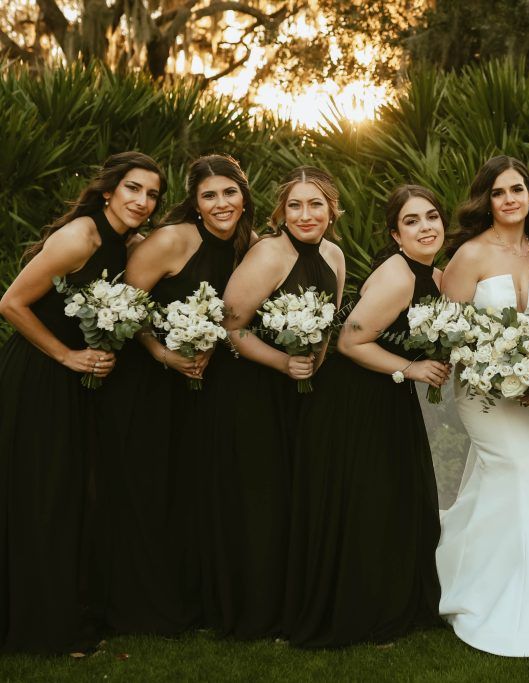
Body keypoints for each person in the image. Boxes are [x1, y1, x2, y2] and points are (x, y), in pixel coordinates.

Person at [0, 152, 165, 652]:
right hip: (39, 375)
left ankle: (71, 610)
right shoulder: (81, 237)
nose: (142, 201)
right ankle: (39, 627)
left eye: (152, 194)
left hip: (80, 382)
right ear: (109, 191)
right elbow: (10, 303)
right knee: (44, 497)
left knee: (75, 495)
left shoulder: (126, 242)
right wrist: (68, 356)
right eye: (133, 189)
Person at [92, 155, 253, 635]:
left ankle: (189, 597)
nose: (221, 204)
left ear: (244, 197)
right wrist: (161, 352)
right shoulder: (172, 240)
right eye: (209, 195)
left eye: (229, 193)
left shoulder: (251, 247)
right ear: (195, 203)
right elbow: (122, 305)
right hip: (145, 384)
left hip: (204, 391)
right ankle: (134, 606)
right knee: (143, 491)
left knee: (187, 493)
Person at [285, 185, 447, 647]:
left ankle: (399, 600)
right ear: (396, 235)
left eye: (431, 217)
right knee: (371, 503)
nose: (424, 228)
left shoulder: (432, 274)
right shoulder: (398, 277)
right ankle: (367, 610)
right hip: (355, 399)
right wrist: (412, 367)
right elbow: (350, 343)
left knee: (397, 498)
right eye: (411, 221)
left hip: (387, 394)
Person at [435, 155, 529, 657]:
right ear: (486, 200)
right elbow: (446, 335)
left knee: (505, 490)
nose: (509, 199)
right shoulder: (468, 256)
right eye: (498, 192)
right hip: (483, 396)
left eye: (517, 189)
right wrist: (492, 370)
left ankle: (466, 572)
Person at [212, 166, 345, 638]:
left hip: (303, 392)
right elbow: (229, 327)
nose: (306, 214)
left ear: (332, 209)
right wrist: (282, 363)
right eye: (295, 205)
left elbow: (327, 325)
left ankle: (294, 602)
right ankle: (256, 611)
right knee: (261, 501)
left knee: (296, 495)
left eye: (315, 204)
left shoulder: (334, 254)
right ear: (280, 212)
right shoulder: (269, 254)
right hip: (253, 390)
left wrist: (313, 363)